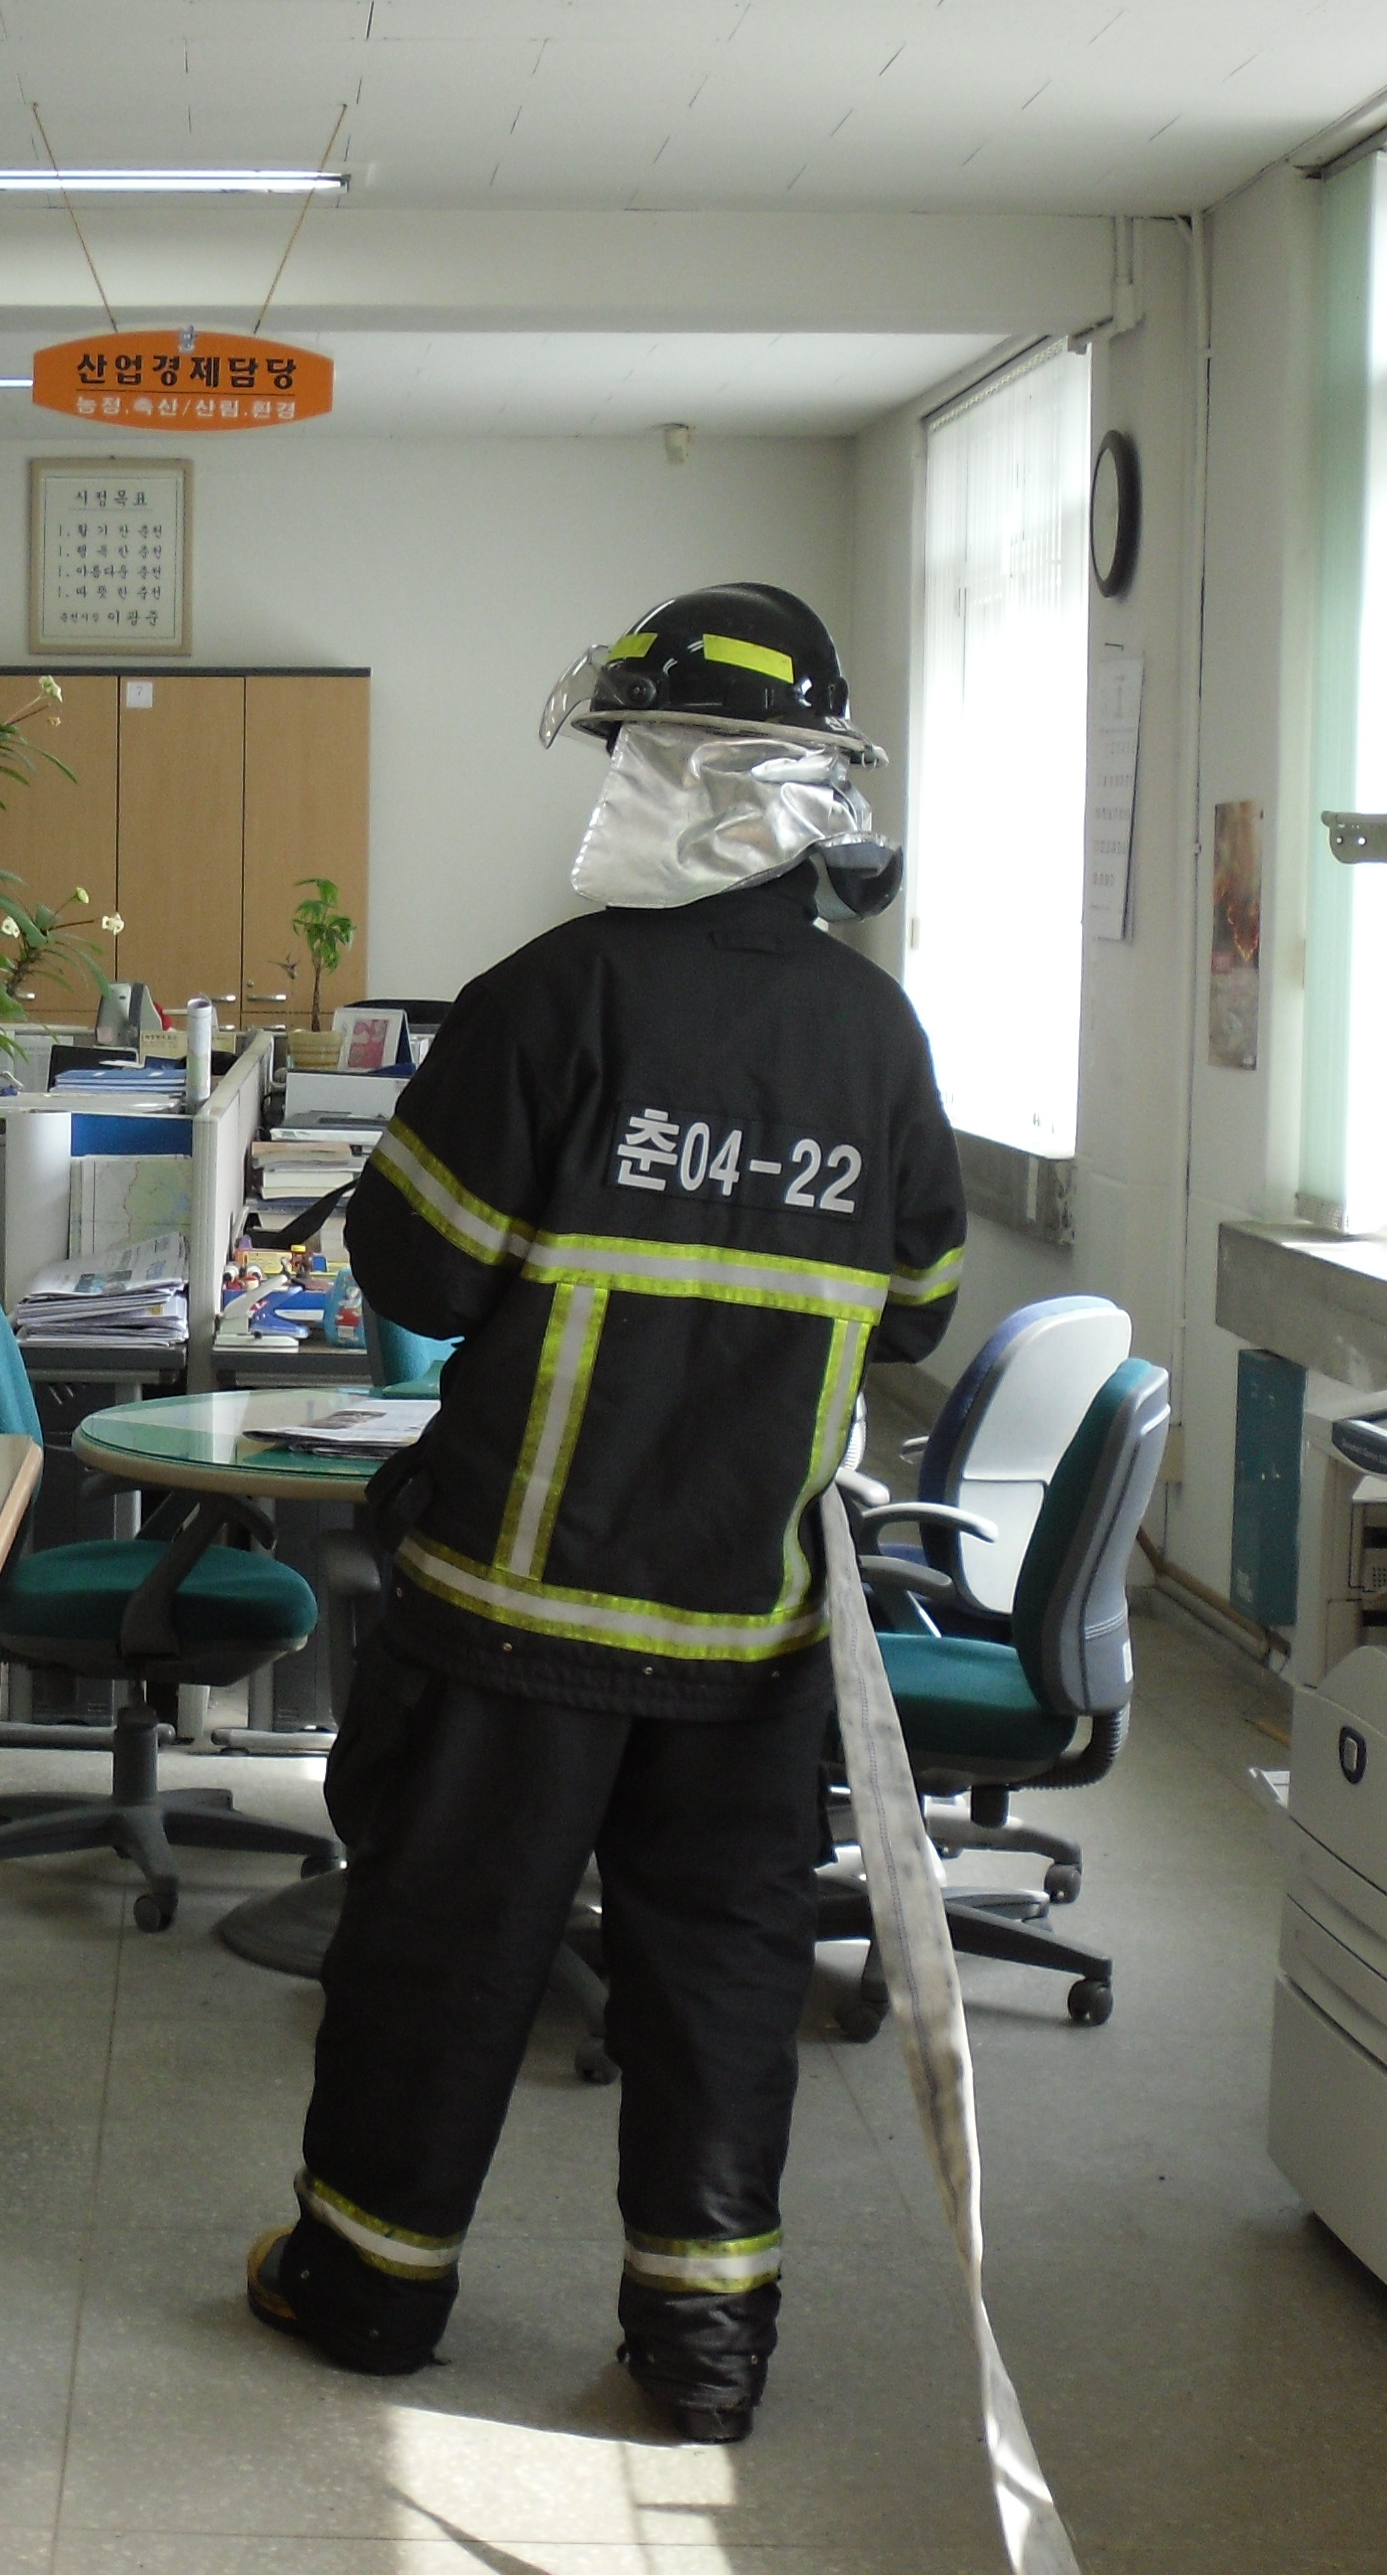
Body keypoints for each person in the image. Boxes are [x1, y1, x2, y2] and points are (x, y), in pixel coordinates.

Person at [247, 582, 966, 2444]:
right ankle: (705, 2349)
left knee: (444, 1951)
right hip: (748, 1618)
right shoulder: (878, 1037)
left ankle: (370, 2286)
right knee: (722, 1971)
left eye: (627, 754)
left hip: (521, 1611)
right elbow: (916, 1308)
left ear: (675, 772)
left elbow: (418, 1268)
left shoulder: (555, 999)